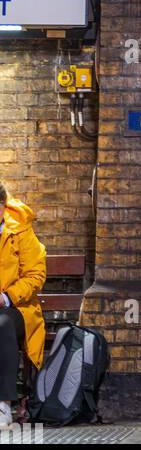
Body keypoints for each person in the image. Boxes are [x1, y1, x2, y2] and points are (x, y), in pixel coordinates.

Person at [0, 182, 47, 428]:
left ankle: (3, 404)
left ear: (2, 207)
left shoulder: (20, 230)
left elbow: (35, 275)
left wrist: (6, 296)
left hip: (17, 307)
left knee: (1, 323)